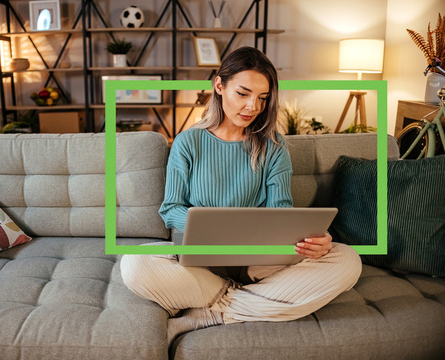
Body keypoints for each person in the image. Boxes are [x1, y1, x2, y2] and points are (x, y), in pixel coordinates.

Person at [120, 46, 362, 342]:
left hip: (260, 264)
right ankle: (250, 302)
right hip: (201, 264)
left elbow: (281, 211)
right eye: (243, 94)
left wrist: (311, 242)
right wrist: (213, 230)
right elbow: (171, 209)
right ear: (219, 86)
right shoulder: (189, 142)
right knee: (134, 263)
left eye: (262, 98)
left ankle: (216, 311)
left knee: (348, 260)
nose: (253, 107)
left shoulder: (273, 146)